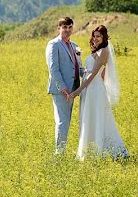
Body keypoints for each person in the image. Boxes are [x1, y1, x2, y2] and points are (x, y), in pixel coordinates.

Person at [68, 25, 128, 159]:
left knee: (98, 118)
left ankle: (107, 151)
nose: (95, 38)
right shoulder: (98, 50)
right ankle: (88, 151)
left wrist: (77, 91)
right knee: (88, 118)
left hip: (94, 90)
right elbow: (97, 72)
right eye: (94, 36)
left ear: (104, 37)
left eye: (98, 36)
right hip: (89, 89)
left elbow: (94, 74)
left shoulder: (104, 51)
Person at [45, 17, 85, 154]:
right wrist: (63, 88)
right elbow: (53, 69)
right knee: (62, 122)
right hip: (61, 90)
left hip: (73, 89)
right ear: (59, 28)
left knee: (66, 122)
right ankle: (59, 155)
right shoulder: (53, 44)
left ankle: (61, 152)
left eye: (69, 27)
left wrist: (91, 74)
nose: (67, 30)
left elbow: (79, 67)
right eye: (64, 28)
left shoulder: (75, 46)